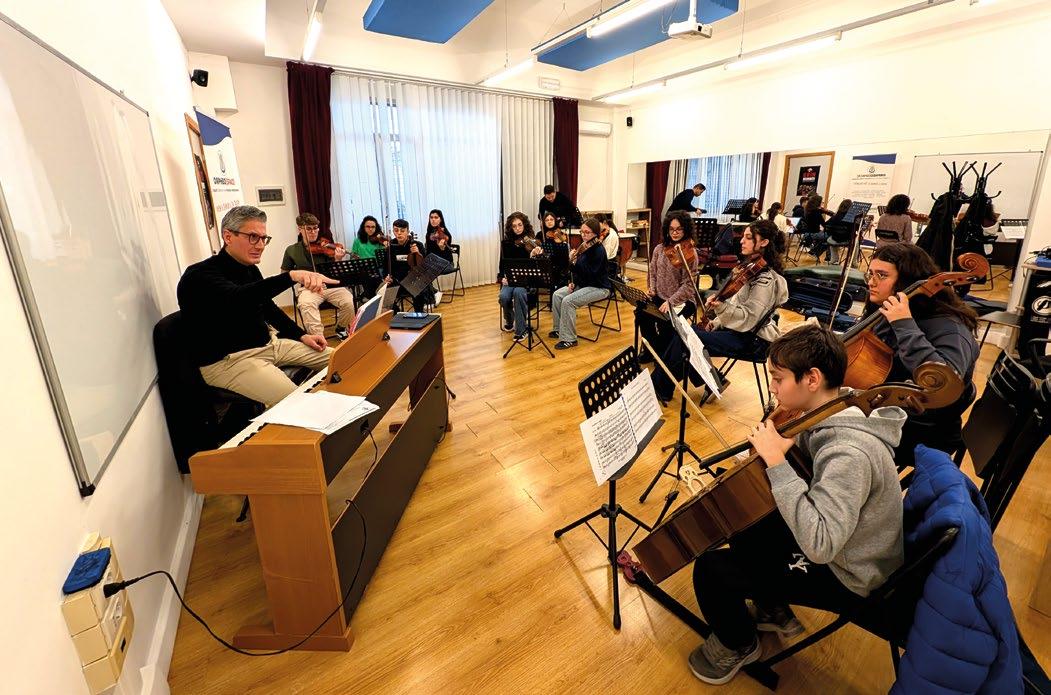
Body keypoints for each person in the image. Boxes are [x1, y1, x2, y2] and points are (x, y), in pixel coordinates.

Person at [687, 324, 905, 685]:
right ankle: (772, 606)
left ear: (812, 379)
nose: (772, 387)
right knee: (743, 519)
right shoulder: (834, 406)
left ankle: (738, 644)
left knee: (711, 569)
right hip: (845, 543)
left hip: (850, 572)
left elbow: (820, 545)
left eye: (778, 378)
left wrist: (776, 462)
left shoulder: (848, 452)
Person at [177, 205, 336, 408]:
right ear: (228, 236)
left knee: (343, 360)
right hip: (230, 361)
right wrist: (291, 276)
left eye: (263, 238)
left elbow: (268, 308)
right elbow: (238, 297)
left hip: (270, 345)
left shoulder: (249, 268)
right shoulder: (198, 275)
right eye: (253, 237)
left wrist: (301, 335)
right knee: (297, 404)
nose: (260, 245)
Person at [864, 243, 979, 469]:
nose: (871, 282)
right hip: (890, 414)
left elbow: (943, 382)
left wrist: (904, 324)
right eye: (870, 273)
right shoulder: (888, 313)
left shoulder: (951, 329)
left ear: (907, 282)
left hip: (921, 431)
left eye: (882, 275)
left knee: (831, 434)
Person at [653, 219, 788, 402]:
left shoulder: (765, 281)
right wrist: (715, 322)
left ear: (764, 242)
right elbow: (736, 303)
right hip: (739, 331)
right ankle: (713, 381)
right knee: (686, 332)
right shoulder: (751, 268)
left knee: (686, 340)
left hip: (754, 341)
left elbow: (749, 318)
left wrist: (721, 307)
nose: (741, 241)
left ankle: (659, 387)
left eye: (749, 237)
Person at [279, 213, 356, 339]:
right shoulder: (292, 250)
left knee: (348, 301)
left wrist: (338, 259)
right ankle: (317, 337)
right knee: (305, 304)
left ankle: (341, 328)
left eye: (315, 228)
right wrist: (299, 277)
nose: (313, 232)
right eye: (309, 229)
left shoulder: (327, 247)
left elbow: (336, 273)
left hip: (330, 286)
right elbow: (284, 274)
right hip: (308, 288)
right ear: (300, 229)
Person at [638, 211, 700, 363]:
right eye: (671, 229)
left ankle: (663, 355)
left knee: (666, 323)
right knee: (641, 314)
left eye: (679, 229)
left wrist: (670, 302)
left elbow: (688, 286)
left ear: (686, 230)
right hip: (660, 296)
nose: (675, 233)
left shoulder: (690, 253)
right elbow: (652, 272)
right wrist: (652, 289)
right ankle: (653, 350)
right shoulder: (659, 249)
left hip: (682, 301)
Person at [549, 217, 611, 349]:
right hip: (584, 284)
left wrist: (575, 262)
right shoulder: (584, 246)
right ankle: (559, 329)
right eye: (582, 232)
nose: (583, 235)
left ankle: (569, 339)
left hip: (599, 287)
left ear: (595, 233)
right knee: (557, 295)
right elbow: (577, 271)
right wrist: (573, 281)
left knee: (568, 301)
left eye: (587, 232)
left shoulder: (599, 250)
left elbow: (592, 274)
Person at [498, 212, 544, 341]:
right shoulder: (506, 243)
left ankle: (521, 330)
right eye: (514, 226)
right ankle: (510, 319)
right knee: (503, 297)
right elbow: (502, 263)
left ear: (524, 225)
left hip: (526, 280)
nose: (518, 228)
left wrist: (534, 256)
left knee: (518, 293)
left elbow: (538, 266)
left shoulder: (531, 242)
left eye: (520, 225)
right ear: (510, 228)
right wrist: (502, 277)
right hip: (511, 279)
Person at [384, 219, 431, 312]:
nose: (399, 233)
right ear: (393, 231)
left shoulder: (417, 245)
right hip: (397, 279)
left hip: (413, 280)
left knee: (419, 289)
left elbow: (425, 265)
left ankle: (419, 313)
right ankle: (398, 314)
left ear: (408, 232)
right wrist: (386, 277)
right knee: (385, 294)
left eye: (402, 230)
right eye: (396, 230)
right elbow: (385, 266)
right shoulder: (391, 246)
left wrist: (418, 253)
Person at [540, 211, 571, 288]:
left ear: (555, 221)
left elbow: (566, 251)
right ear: (544, 222)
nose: (549, 222)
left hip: (560, 265)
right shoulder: (540, 234)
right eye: (547, 220)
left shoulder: (560, 233)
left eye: (551, 219)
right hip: (547, 264)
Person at [799, 194, 833, 260]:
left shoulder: (807, 210)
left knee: (826, 237)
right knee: (831, 237)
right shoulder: (816, 212)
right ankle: (819, 254)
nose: (821, 203)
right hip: (813, 234)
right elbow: (824, 225)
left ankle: (815, 252)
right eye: (821, 202)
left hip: (807, 233)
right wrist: (832, 218)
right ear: (817, 203)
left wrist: (824, 211)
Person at [823, 198, 854, 264]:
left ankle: (834, 259)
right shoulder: (850, 218)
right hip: (846, 240)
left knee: (831, 239)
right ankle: (853, 261)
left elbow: (826, 225)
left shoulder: (835, 216)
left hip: (834, 239)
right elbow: (854, 229)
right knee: (856, 242)